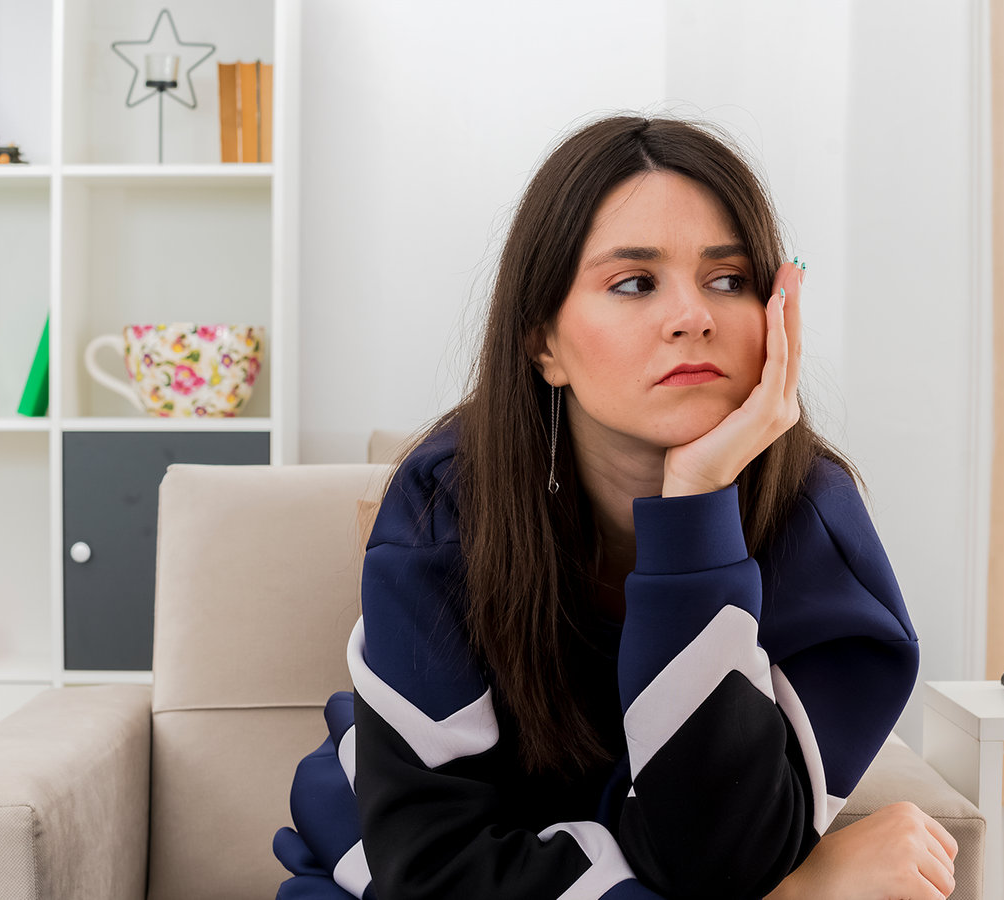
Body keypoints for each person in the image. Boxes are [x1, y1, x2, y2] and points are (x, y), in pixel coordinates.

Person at [273, 116, 958, 900]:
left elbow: (719, 863)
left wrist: (697, 510)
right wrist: (795, 894)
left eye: (728, 280)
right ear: (544, 345)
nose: (691, 316)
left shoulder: (818, 534)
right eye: (634, 283)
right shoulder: (445, 503)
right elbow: (427, 865)